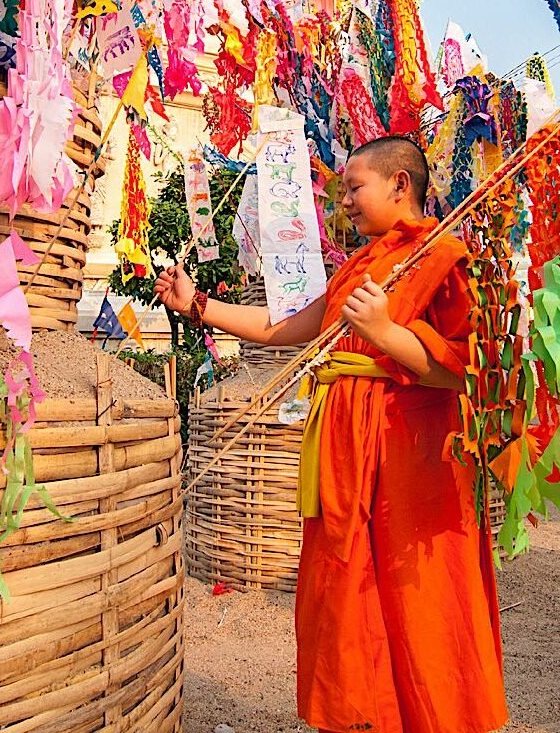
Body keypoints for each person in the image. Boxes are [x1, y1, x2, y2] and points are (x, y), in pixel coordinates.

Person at [156, 135, 507, 733]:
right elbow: (293, 326)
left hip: (410, 459)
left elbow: (466, 369)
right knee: (347, 591)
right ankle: (365, 718)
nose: (343, 200)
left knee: (415, 594)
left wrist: (384, 332)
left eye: (354, 187)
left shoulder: (444, 255)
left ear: (401, 184)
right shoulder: (364, 263)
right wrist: (200, 308)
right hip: (347, 450)